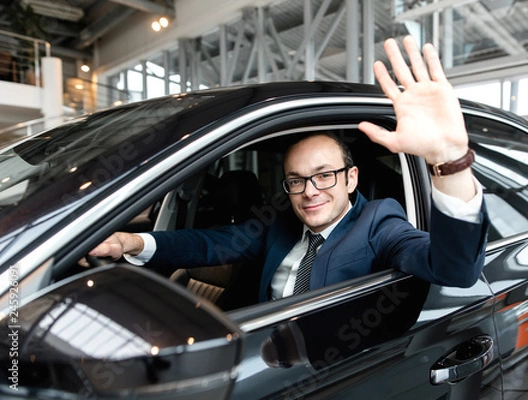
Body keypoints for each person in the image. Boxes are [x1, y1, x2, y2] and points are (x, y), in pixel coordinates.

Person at [85, 36, 490, 302]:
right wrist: (132, 243)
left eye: (324, 175)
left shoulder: (379, 223)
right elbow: (211, 245)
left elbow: (454, 269)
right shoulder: (278, 225)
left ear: (351, 178)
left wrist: (450, 159)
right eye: (297, 180)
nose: (310, 191)